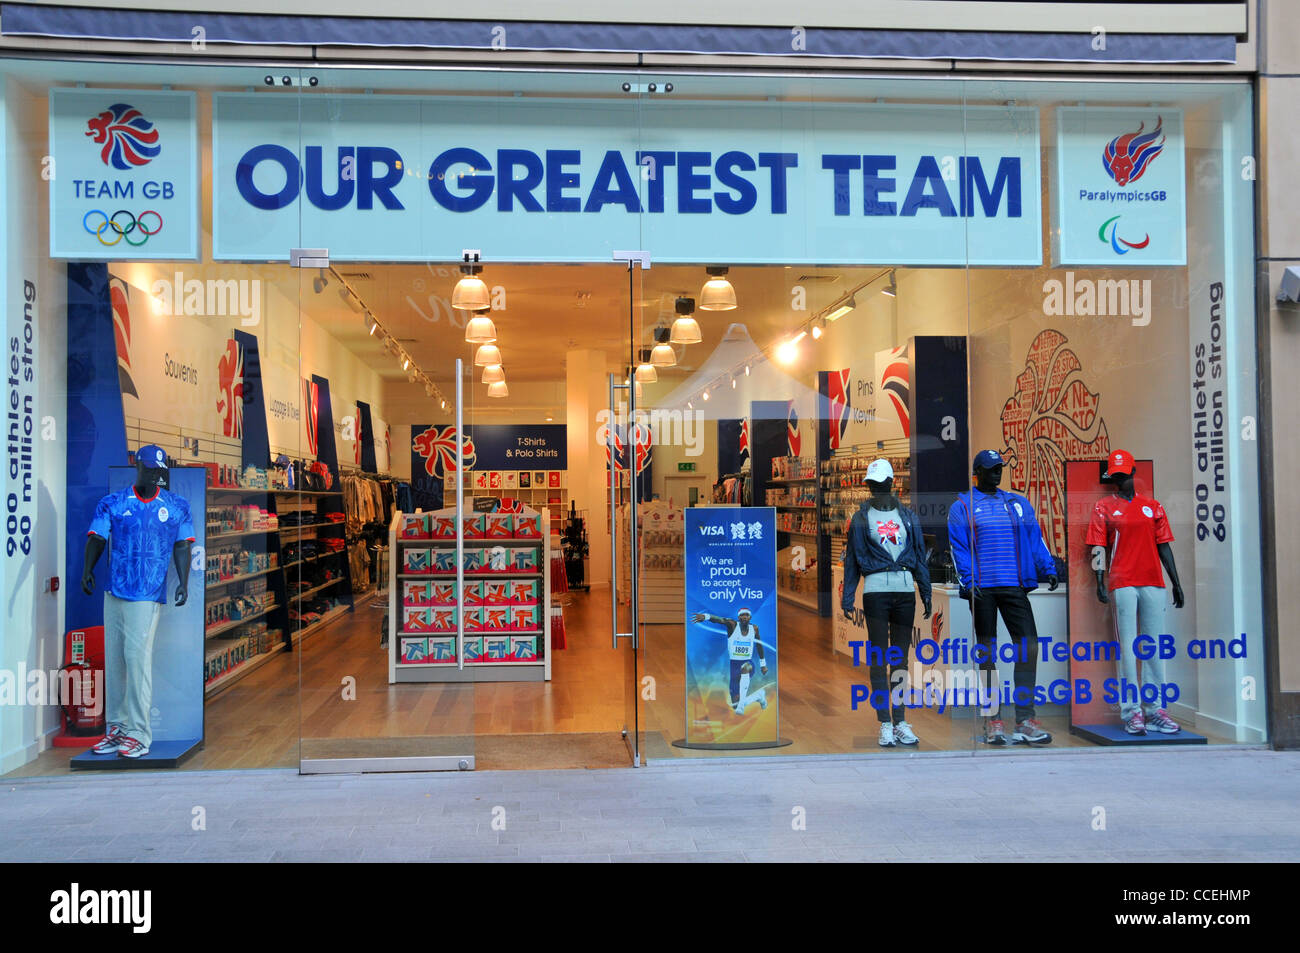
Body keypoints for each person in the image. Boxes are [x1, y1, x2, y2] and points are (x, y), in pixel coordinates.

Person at [81, 445, 194, 760]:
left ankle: (139, 733)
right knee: (115, 660)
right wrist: (87, 570)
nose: (154, 474)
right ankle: (117, 728)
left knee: (137, 659)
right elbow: (97, 538)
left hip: (147, 594)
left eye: (159, 470)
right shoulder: (113, 503)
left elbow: (183, 546)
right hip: (114, 590)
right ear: (136, 466)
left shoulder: (176, 506)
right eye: (148, 468)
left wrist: (183, 582)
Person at [947, 449, 1059, 746]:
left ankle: (1024, 720)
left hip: (1014, 586)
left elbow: (1035, 538)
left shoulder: (1017, 503)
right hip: (982, 589)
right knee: (987, 654)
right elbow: (959, 548)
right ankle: (992, 719)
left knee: (1029, 646)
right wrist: (968, 581)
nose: (997, 473)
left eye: (999, 468)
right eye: (991, 469)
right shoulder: (963, 506)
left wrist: (1047, 567)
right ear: (977, 472)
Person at [1085, 449, 1184, 735]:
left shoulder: (1152, 506)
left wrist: (1176, 582)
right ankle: (1132, 711)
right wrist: (1100, 580)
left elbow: (1164, 545)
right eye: (1114, 475)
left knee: (1153, 647)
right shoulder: (1103, 507)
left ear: (1131, 473)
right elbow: (1098, 546)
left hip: (1152, 580)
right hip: (1122, 582)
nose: (1118, 479)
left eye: (1122, 473)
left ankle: (1156, 710)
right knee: (1127, 649)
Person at [840, 458, 931, 747]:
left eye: (881, 483)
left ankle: (901, 719)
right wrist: (848, 595)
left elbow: (918, 554)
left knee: (900, 659)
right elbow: (853, 560)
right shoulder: (860, 518)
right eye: (873, 484)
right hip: (876, 592)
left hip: (904, 592)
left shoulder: (907, 516)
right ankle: (885, 722)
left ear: (892, 484)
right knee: (879, 658)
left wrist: (925, 590)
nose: (877, 488)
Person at [690, 608, 769, 716]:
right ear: (738, 617)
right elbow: (720, 620)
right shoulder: (733, 625)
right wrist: (706, 617)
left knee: (746, 667)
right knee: (735, 705)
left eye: (746, 615)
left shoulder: (754, 628)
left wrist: (763, 664)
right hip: (734, 667)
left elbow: (759, 644)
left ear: (750, 617)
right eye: (742, 615)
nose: (744, 617)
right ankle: (759, 696)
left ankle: (741, 706)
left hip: (747, 662)